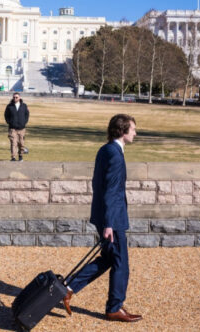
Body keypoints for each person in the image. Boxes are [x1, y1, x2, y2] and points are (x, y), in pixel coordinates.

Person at [63, 114, 142, 323]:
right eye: (132, 129)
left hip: (104, 215)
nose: (135, 132)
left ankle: (68, 288)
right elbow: (111, 191)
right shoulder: (115, 154)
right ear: (122, 131)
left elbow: (98, 185)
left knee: (108, 259)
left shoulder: (105, 149)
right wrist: (108, 223)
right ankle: (114, 308)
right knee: (121, 263)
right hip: (111, 219)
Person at [3, 93, 29, 161]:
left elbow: (27, 115)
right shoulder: (9, 106)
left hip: (21, 128)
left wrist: (24, 122)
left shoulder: (24, 106)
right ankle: (13, 157)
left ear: (19, 98)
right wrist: (10, 122)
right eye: (14, 97)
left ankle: (20, 156)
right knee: (13, 143)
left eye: (16, 97)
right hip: (13, 129)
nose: (15, 98)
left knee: (21, 143)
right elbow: (6, 115)